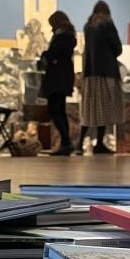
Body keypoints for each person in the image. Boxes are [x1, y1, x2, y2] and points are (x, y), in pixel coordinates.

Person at [77, 0, 125, 155]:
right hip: (107, 72)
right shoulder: (107, 24)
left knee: (90, 109)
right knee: (105, 109)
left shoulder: (88, 26)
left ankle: (79, 143)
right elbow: (118, 48)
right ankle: (99, 143)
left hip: (90, 74)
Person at [39, 11, 77, 155]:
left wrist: (45, 56)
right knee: (60, 110)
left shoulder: (62, 37)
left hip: (56, 78)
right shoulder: (70, 36)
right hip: (64, 77)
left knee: (54, 110)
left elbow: (52, 54)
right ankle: (65, 143)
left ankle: (66, 141)